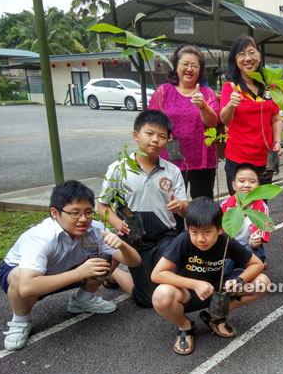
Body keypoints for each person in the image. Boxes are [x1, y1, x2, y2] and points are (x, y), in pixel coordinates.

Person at [0, 180, 141, 351]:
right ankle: (20, 320)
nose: (83, 219)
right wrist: (80, 272)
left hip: (66, 270)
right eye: (75, 213)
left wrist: (122, 245)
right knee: (18, 276)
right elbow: (27, 287)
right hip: (31, 279)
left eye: (88, 212)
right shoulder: (40, 237)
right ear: (55, 213)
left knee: (109, 257)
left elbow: (134, 262)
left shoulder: (95, 230)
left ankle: (82, 300)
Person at [151, 197, 270, 354]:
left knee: (263, 282)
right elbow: (157, 274)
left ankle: (215, 316)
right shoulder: (184, 240)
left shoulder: (225, 241)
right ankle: (185, 326)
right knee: (161, 295)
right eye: (194, 232)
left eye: (207, 232)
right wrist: (195, 284)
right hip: (188, 294)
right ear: (189, 229)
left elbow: (257, 264)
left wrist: (239, 280)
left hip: (218, 291)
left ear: (220, 229)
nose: (200, 238)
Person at [98, 110, 189, 308]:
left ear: (168, 140)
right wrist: (117, 223)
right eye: (150, 133)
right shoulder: (118, 169)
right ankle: (116, 274)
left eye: (162, 136)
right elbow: (103, 206)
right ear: (136, 135)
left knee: (174, 285)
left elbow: (185, 210)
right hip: (135, 240)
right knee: (147, 300)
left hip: (166, 237)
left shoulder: (172, 171)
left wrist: (181, 206)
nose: (156, 140)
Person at [149, 44, 220, 201]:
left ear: (200, 70)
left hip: (202, 160)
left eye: (194, 66)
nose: (190, 69)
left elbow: (213, 123)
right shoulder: (163, 91)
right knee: (171, 203)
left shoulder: (207, 93)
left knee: (202, 204)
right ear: (176, 66)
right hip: (170, 158)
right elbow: (150, 123)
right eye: (185, 64)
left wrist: (203, 106)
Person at [220, 35, 282, 194]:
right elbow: (224, 119)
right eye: (241, 54)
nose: (247, 58)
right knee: (240, 209)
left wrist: (277, 142)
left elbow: (275, 118)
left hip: (265, 160)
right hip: (238, 161)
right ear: (235, 60)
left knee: (261, 208)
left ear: (259, 56)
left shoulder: (269, 86)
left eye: (251, 52)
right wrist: (230, 105)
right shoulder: (230, 87)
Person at [221, 163, 269, 274]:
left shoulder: (262, 207)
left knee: (247, 250)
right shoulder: (225, 205)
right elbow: (221, 234)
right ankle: (224, 278)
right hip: (229, 250)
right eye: (241, 181)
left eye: (252, 182)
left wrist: (254, 241)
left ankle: (227, 276)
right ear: (233, 185)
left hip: (250, 248)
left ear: (258, 185)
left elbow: (258, 235)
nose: (247, 185)